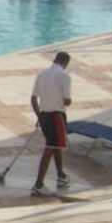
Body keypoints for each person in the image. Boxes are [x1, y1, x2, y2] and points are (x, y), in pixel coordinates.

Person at [30, 51, 72, 196]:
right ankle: (38, 184)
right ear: (66, 63)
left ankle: (61, 175)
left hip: (44, 115)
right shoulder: (64, 76)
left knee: (55, 145)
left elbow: (33, 99)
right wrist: (66, 101)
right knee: (50, 147)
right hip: (57, 116)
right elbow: (67, 100)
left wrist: (40, 116)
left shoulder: (42, 74)